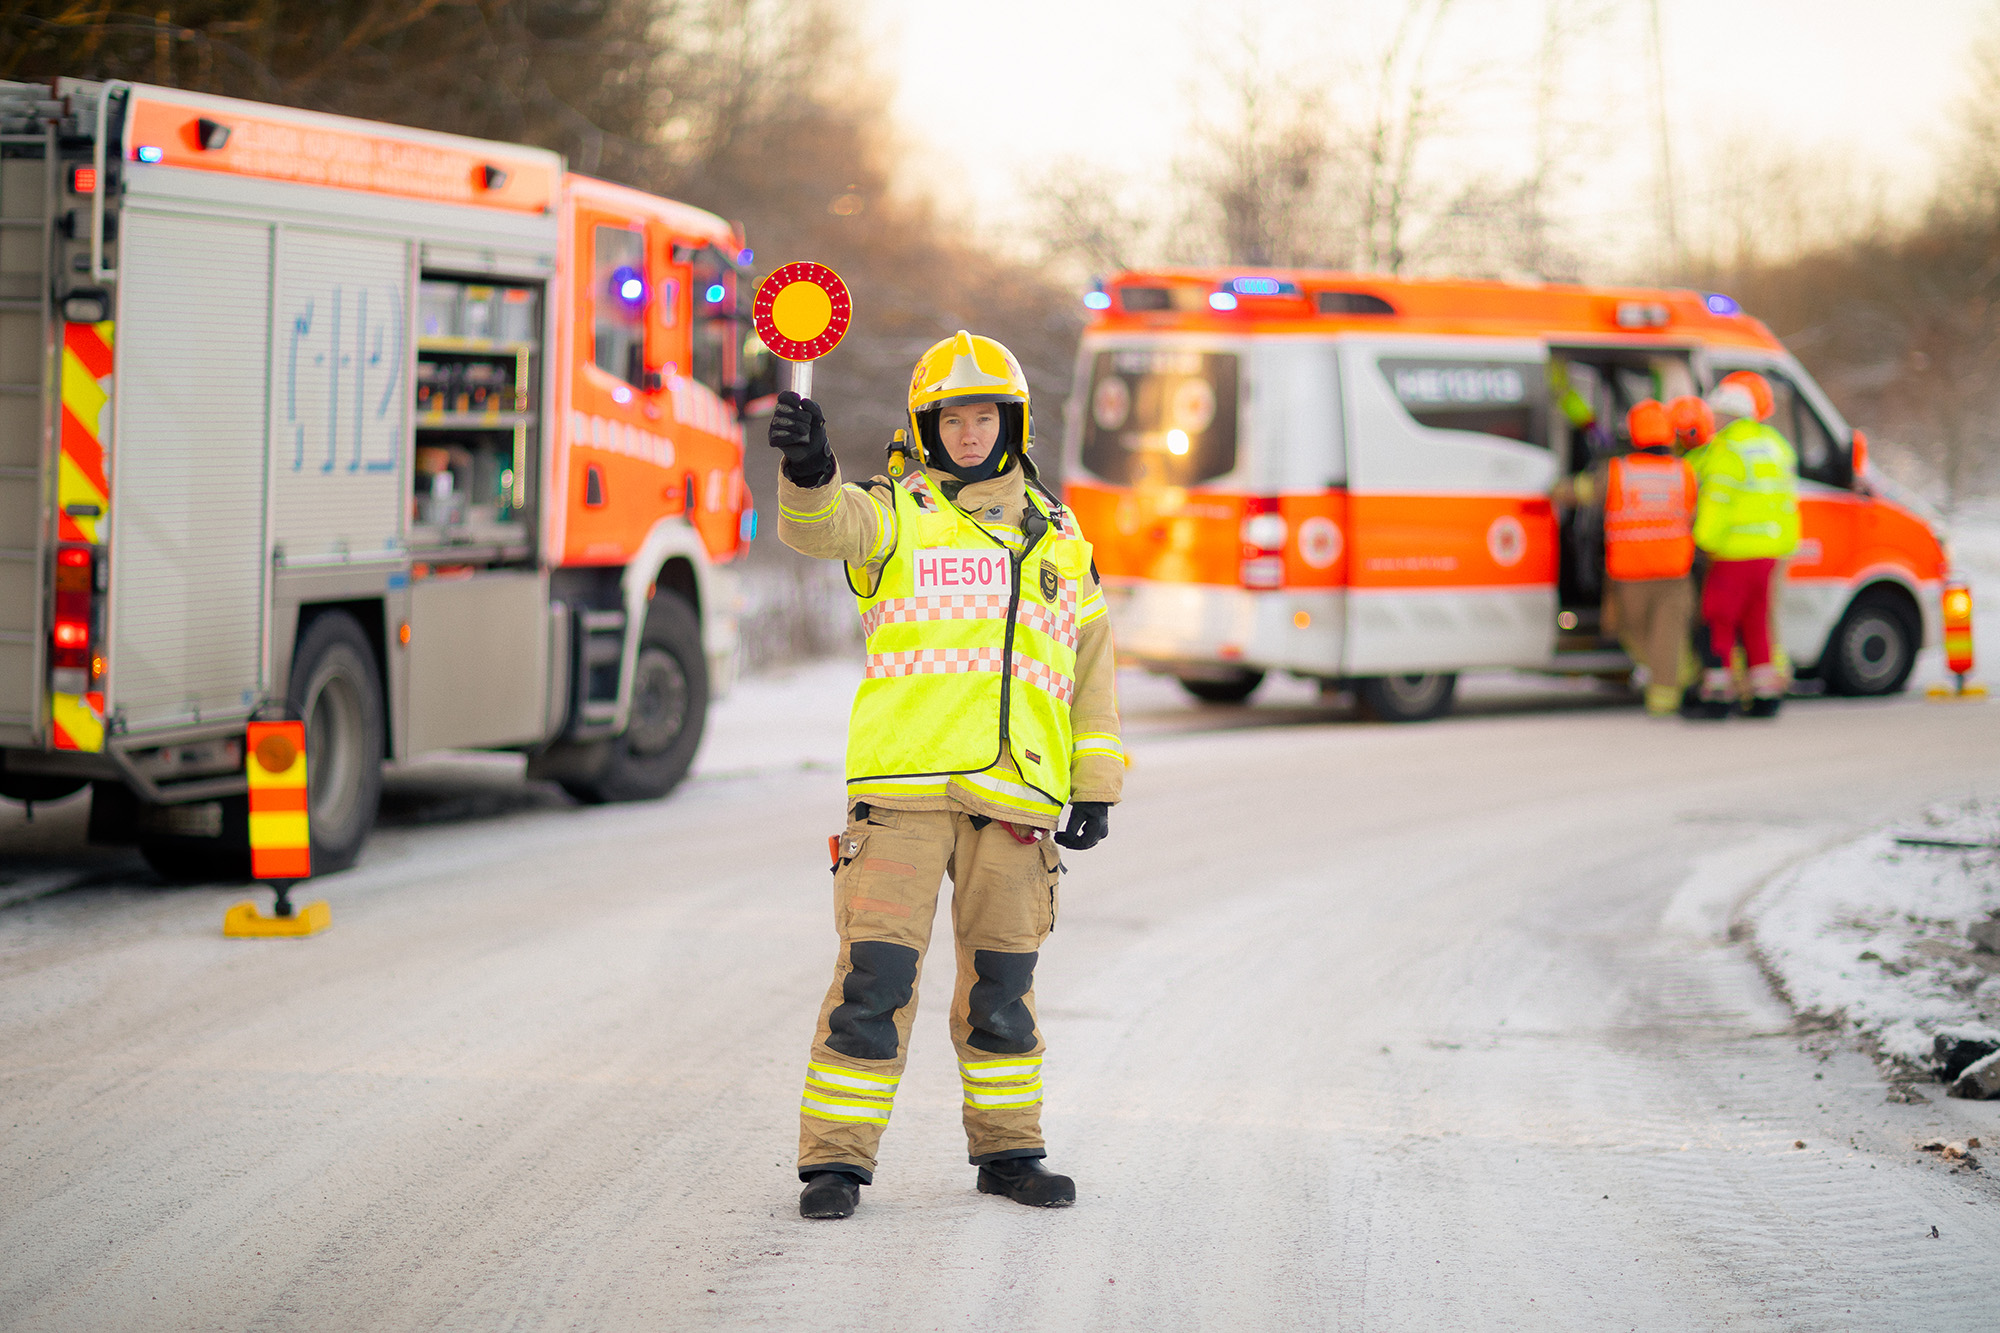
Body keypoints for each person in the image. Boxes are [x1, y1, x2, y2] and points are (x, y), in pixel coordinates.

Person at [770, 330, 1125, 1221]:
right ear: (927, 427)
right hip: (902, 799)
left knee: (1004, 990)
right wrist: (812, 471)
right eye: (951, 418)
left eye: (985, 416)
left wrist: (1097, 781)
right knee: (874, 981)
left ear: (1014, 422)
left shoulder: (1060, 535)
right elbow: (823, 528)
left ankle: (1009, 1153)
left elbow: (1090, 667)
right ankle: (837, 1164)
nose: (970, 433)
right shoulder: (896, 511)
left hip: (1016, 804)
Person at [1688, 371, 1800, 718]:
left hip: (1733, 554)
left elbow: (1716, 504)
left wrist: (1702, 542)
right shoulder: (1774, 445)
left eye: (1717, 415)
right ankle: (1765, 696)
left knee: (1718, 620)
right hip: (1770, 552)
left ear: (1728, 414)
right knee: (1756, 624)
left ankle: (1717, 696)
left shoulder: (1726, 451)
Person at [1603, 401, 1699, 716]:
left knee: (1636, 634)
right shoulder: (1683, 472)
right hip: (1673, 572)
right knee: (1668, 636)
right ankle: (1672, 690)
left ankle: (1665, 693)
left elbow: (1582, 491)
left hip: (1630, 575)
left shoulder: (1617, 472)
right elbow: (1694, 515)